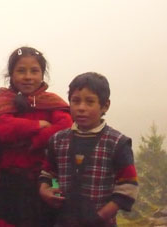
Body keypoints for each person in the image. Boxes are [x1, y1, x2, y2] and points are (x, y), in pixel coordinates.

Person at [0, 46, 73, 227]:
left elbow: (66, 127)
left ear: (42, 74)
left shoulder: (51, 102)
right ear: (11, 74)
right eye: (21, 71)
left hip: (46, 181)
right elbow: (3, 129)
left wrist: (36, 140)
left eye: (34, 71)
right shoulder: (4, 100)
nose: (28, 76)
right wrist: (38, 125)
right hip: (11, 185)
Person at [39, 72, 138, 227]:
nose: (81, 108)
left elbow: (128, 187)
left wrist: (99, 217)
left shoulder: (117, 143)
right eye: (75, 101)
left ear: (105, 105)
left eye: (90, 102)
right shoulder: (58, 140)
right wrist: (49, 191)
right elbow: (51, 174)